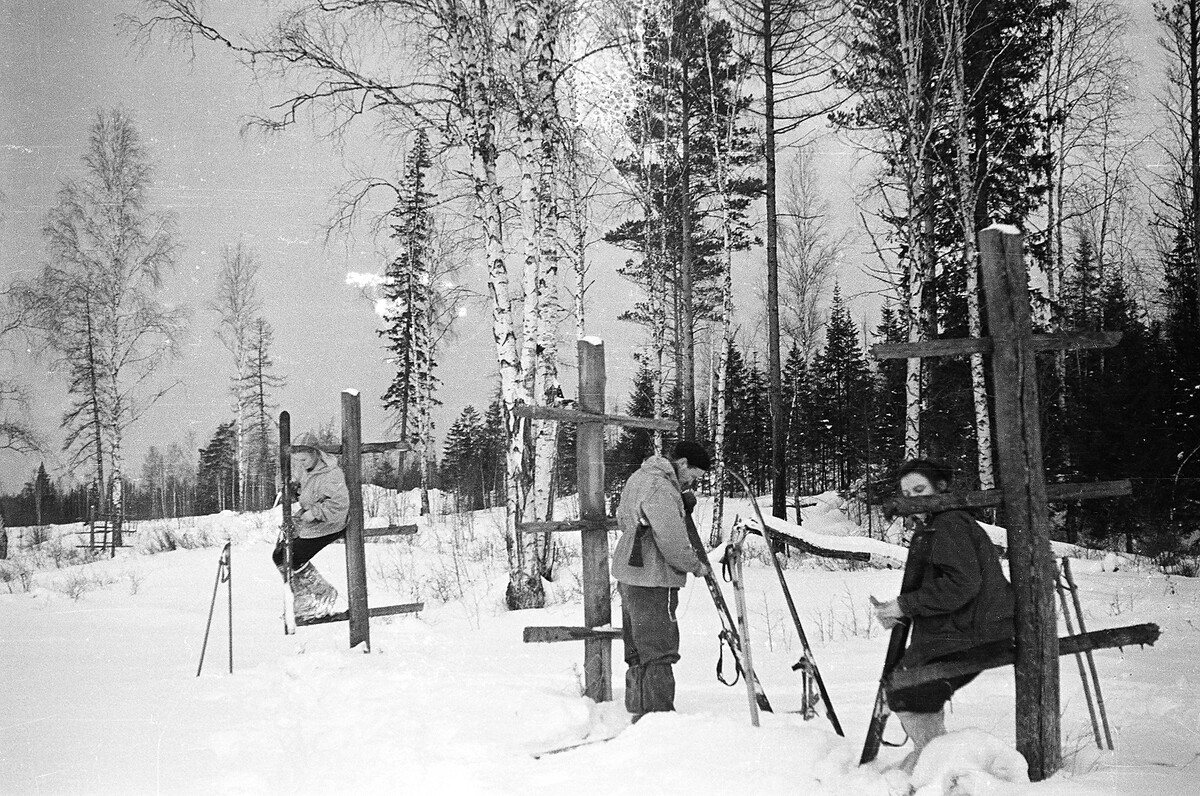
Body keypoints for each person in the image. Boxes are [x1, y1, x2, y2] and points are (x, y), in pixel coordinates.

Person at [871, 458, 1016, 773]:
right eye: (906, 493)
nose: (912, 500)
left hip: (977, 632)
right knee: (908, 688)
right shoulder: (938, 524)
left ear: (942, 488)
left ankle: (937, 764)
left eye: (920, 489)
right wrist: (901, 607)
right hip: (968, 630)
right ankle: (930, 760)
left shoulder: (949, 523)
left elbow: (962, 584)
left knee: (906, 690)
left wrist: (905, 605)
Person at [612, 440, 713, 721]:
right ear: (682, 464)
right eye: (693, 476)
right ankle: (659, 718)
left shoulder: (640, 477)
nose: (692, 483)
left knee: (637, 647)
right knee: (659, 648)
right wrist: (695, 565)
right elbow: (671, 540)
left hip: (630, 575)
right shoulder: (661, 488)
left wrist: (679, 501)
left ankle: (640, 710)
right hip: (653, 578)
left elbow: (625, 519)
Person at [272, 432, 350, 619]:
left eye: (305, 459)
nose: (302, 463)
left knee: (293, 556)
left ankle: (321, 594)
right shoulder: (306, 470)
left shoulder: (331, 474)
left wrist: (314, 512)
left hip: (329, 523)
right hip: (308, 519)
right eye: (298, 459)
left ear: (316, 453)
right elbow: (307, 492)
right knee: (279, 553)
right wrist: (294, 489)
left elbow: (339, 505)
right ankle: (301, 596)